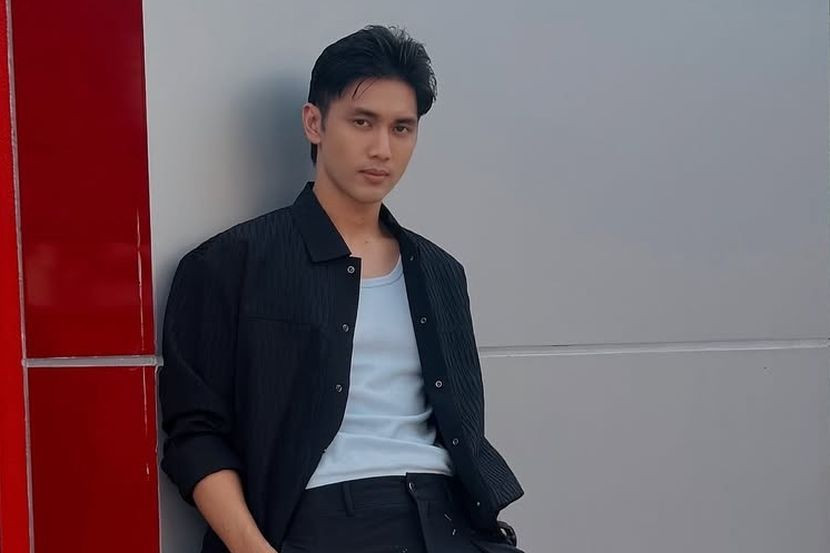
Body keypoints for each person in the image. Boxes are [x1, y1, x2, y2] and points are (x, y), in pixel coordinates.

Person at [158, 24, 525, 553]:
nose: (382, 149)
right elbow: (195, 437)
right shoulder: (230, 263)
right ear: (315, 123)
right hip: (321, 521)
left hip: (449, 522)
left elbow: (463, 426)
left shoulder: (440, 273)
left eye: (402, 128)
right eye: (362, 122)